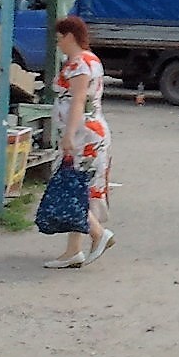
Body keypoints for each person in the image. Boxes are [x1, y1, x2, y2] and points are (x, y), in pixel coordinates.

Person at [45, 16, 114, 269]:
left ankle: (98, 234)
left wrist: (69, 134)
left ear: (70, 36)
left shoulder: (79, 64)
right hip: (90, 132)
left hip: (83, 135)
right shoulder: (89, 60)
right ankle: (73, 250)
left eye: (59, 38)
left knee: (70, 188)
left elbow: (77, 100)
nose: (58, 43)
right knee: (80, 187)